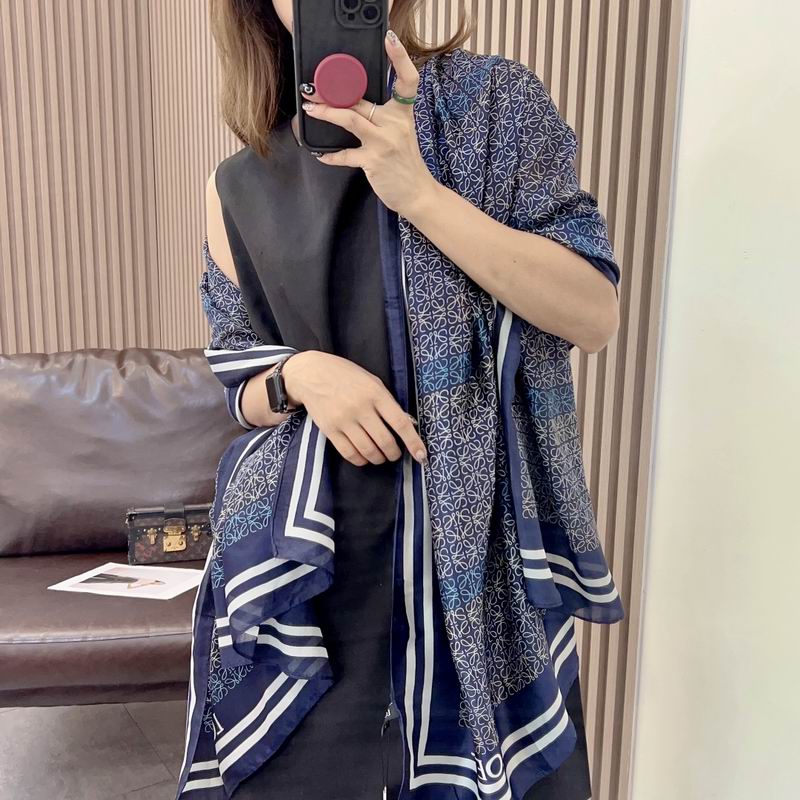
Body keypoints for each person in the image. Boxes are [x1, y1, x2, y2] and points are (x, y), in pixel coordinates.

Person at [185, 1, 622, 798]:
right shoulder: (239, 181)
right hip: (308, 571)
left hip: (478, 564)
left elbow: (592, 311)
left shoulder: (494, 105)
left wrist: (418, 192)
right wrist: (302, 377)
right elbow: (239, 384)